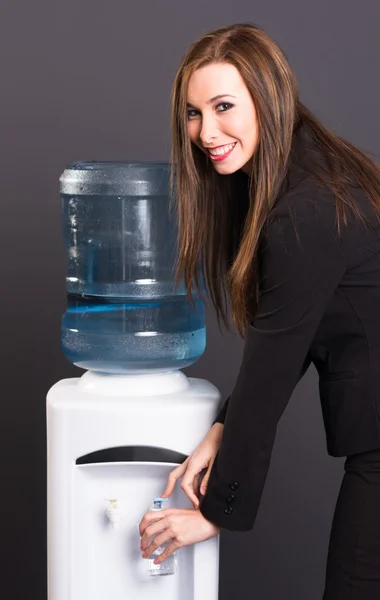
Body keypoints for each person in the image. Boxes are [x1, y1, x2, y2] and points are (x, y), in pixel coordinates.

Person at [138, 23, 380, 598]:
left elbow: (272, 367)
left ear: (269, 100)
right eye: (194, 114)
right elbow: (290, 337)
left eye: (224, 107)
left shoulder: (305, 212)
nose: (205, 131)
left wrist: (215, 512)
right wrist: (222, 429)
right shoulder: (315, 177)